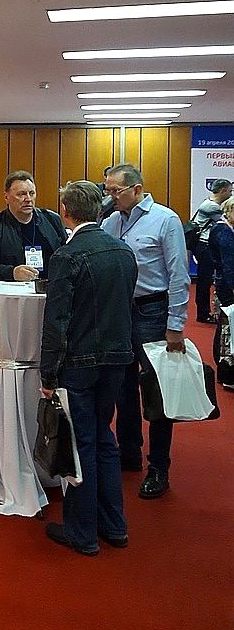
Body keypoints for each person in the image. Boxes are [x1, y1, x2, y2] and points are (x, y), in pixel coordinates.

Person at [40, 181, 138, 556]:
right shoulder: (123, 251)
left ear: (65, 212)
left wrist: (48, 374)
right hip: (117, 358)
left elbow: (57, 322)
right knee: (104, 439)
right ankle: (114, 525)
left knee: (81, 446)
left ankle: (82, 533)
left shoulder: (67, 256)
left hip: (79, 363)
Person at [101, 163, 189, 499]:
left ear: (137, 189)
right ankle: (129, 453)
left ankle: (159, 467)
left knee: (156, 392)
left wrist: (175, 325)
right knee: (122, 387)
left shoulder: (165, 220)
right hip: (119, 312)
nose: (110, 196)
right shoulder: (111, 222)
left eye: (116, 190)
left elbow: (179, 275)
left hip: (153, 311)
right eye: (107, 190)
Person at [0, 170, 67, 281]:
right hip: (12, 288)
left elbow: (66, 255)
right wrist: (12, 273)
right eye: (21, 194)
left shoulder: (52, 219)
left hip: (50, 286)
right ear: (6, 197)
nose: (28, 199)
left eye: (32, 193)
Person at [190, 179, 233, 323]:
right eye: (229, 191)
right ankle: (203, 313)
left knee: (205, 280)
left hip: (205, 245)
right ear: (223, 191)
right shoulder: (211, 207)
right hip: (204, 246)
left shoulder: (209, 202)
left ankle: (205, 312)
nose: (231, 194)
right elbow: (227, 218)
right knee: (204, 280)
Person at [209, 195, 234, 379]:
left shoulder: (224, 228)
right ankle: (226, 369)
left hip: (225, 281)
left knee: (226, 324)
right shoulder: (223, 231)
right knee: (227, 326)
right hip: (228, 285)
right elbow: (228, 264)